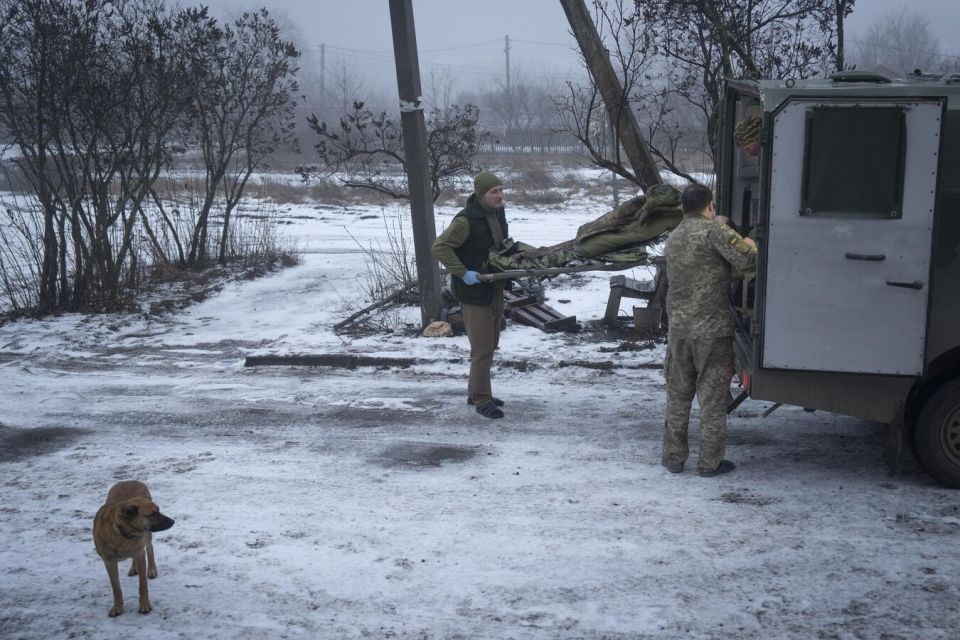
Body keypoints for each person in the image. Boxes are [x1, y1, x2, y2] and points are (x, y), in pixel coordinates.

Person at [660, 184, 757, 476]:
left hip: (679, 329)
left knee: (678, 396)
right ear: (710, 206)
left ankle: (673, 458)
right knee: (712, 400)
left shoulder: (674, 237)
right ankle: (709, 463)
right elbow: (748, 260)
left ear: (683, 208)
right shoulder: (713, 231)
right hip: (711, 331)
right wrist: (751, 242)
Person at [432, 171, 509, 419]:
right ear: (480, 194)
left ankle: (475, 391)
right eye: (493, 192)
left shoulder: (497, 214)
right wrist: (463, 272)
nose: (499, 196)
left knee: (491, 344)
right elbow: (439, 247)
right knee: (481, 349)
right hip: (473, 293)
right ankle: (481, 399)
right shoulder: (465, 221)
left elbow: (500, 246)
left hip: (494, 287)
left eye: (500, 190)